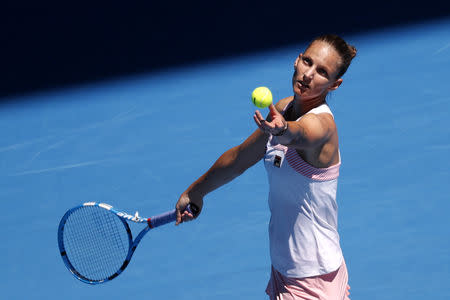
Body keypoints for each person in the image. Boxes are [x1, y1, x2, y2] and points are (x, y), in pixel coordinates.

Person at [175, 34, 356, 300]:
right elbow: (239, 158)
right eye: (307, 62)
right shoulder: (282, 107)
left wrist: (283, 130)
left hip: (311, 279)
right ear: (297, 60)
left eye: (322, 72)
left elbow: (300, 133)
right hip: (290, 269)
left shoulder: (323, 126)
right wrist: (195, 192)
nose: (308, 74)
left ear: (334, 84)